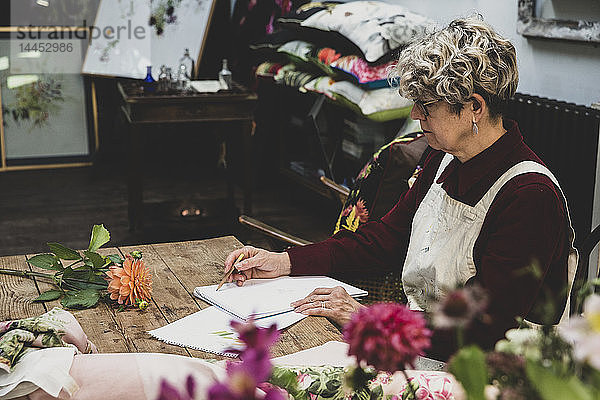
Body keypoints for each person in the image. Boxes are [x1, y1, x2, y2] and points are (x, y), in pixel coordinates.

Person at [224, 16, 577, 359]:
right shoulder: (445, 159)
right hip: (424, 346)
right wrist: (285, 261)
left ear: (474, 107)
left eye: (426, 107)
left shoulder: (530, 195)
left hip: (493, 372)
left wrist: (370, 320)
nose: (415, 116)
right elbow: (383, 241)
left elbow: (484, 328)